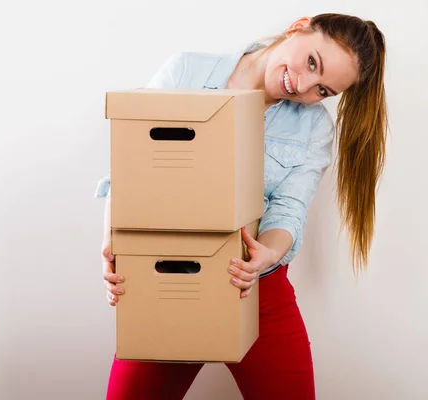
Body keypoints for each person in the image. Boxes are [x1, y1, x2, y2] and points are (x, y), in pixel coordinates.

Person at [94, 13, 388, 400]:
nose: (302, 86)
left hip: (253, 286)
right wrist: (115, 246)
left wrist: (266, 254)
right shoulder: (187, 71)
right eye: (312, 62)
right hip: (166, 277)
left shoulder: (313, 128)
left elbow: (289, 209)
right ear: (299, 26)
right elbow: (130, 167)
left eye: (323, 90)